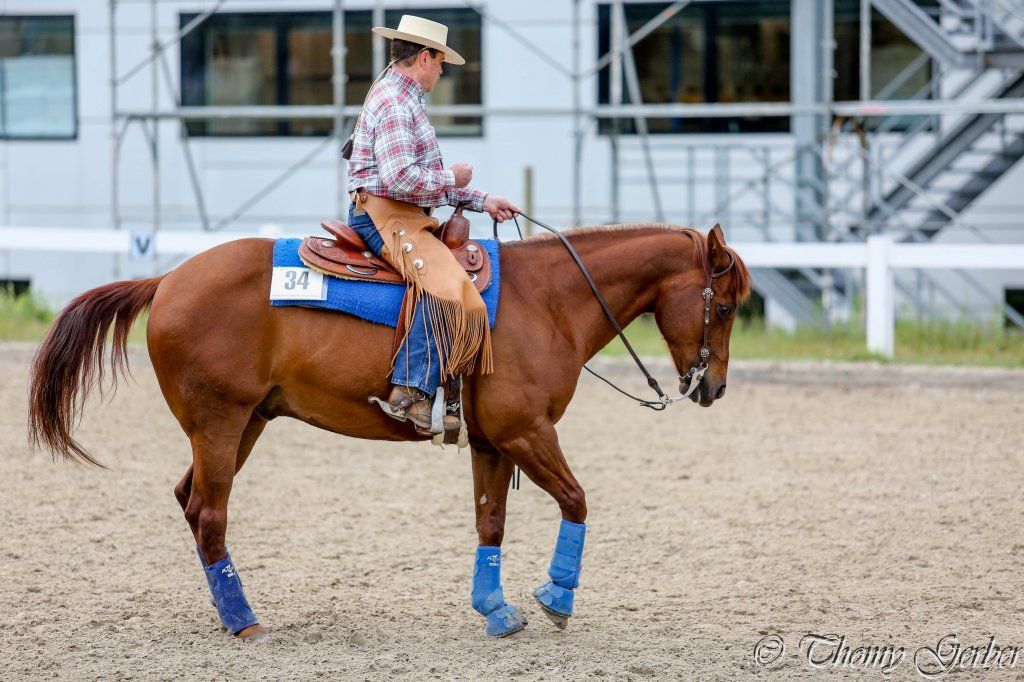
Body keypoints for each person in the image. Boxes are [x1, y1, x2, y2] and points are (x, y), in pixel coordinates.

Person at [347, 15, 520, 433]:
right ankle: (409, 390)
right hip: (383, 214)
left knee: (451, 280)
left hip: (401, 212)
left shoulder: (402, 99)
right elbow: (400, 179)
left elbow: (419, 185)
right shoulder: (394, 102)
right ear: (424, 57)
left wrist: (481, 199)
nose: (442, 71)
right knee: (447, 286)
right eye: (441, 62)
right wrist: (454, 179)